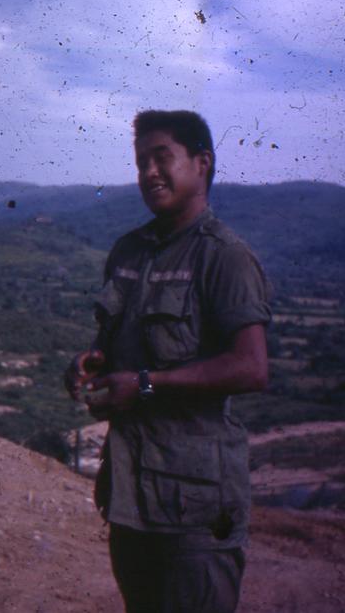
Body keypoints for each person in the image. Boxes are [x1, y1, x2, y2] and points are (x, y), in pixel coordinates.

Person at [63, 110, 271, 613]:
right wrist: (89, 364)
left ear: (202, 163)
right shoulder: (129, 252)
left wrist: (146, 384)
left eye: (163, 158)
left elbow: (251, 367)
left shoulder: (225, 257)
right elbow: (116, 349)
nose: (149, 172)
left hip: (195, 509)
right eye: (140, 163)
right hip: (131, 497)